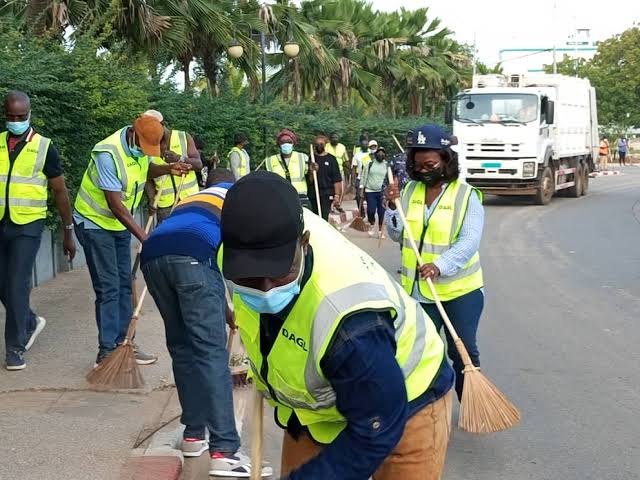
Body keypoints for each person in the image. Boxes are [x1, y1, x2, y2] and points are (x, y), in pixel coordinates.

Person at [221, 171, 454, 480]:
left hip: (403, 401)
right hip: (317, 412)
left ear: (304, 243)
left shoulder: (351, 324)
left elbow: (376, 429)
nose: (265, 290)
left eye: (279, 273)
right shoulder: (242, 239)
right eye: (249, 277)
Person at [140, 168, 270, 478]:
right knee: (210, 353)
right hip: (195, 257)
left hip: (153, 255)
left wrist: (223, 308)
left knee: (182, 349)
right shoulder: (237, 199)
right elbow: (238, 263)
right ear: (234, 184)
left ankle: (194, 434)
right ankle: (225, 451)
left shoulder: (190, 200)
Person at [73, 115, 191, 367]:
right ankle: (106, 352)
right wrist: (145, 238)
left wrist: (168, 168)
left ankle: (125, 343)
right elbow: (115, 205)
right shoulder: (107, 153)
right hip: (95, 223)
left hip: (118, 225)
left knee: (125, 284)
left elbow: (146, 169)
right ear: (134, 134)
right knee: (108, 287)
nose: (147, 152)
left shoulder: (139, 147)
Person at [385, 124, 485, 401]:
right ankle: (427, 409)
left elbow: (469, 241)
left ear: (446, 160)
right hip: (417, 293)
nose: (423, 170)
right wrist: (392, 208)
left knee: (462, 353)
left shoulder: (465, 195)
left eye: (430, 164)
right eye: (417, 165)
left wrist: (440, 265)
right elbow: (397, 234)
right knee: (421, 353)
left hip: (459, 293)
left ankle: (471, 406)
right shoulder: (408, 191)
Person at [1, 90, 77, 371]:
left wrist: (67, 230)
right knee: (4, 285)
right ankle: (30, 321)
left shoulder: (45, 147)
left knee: (17, 285)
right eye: (11, 116)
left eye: (21, 116)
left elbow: (60, 191)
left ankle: (15, 348)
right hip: (1, 222)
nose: (16, 121)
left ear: (30, 114)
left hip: (28, 226)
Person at [143, 110, 202, 223]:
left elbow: (198, 165)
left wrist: (179, 158)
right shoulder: (147, 145)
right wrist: (151, 198)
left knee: (192, 231)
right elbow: (147, 175)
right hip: (165, 205)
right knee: (167, 233)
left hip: (190, 200)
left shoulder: (183, 137)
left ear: (162, 124)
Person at [263, 129, 312, 208]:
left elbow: (311, 179)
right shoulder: (270, 160)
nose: (286, 144)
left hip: (300, 197)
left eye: (289, 142)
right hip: (279, 197)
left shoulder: (302, 157)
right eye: (283, 142)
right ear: (278, 144)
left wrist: (312, 170)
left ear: (293, 143)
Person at [309, 135, 342, 221]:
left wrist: (337, 195)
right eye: (317, 144)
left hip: (327, 193)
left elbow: (337, 179)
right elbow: (310, 180)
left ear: (325, 145)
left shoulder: (331, 159)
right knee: (314, 216)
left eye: (321, 144)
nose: (319, 146)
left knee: (323, 215)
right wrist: (312, 171)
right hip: (313, 193)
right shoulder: (311, 159)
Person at [361, 146, 388, 237]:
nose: (381, 155)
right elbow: (364, 176)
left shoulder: (387, 165)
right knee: (371, 210)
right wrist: (362, 189)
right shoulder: (370, 164)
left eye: (382, 153)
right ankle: (372, 224)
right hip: (370, 191)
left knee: (381, 212)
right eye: (379, 153)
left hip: (382, 192)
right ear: (375, 154)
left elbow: (389, 178)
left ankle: (380, 231)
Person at [325, 132, 349, 210]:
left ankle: (338, 205)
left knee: (341, 189)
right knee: (330, 189)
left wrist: (348, 170)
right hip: (328, 171)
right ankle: (330, 206)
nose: (335, 139)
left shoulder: (342, 147)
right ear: (330, 139)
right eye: (333, 138)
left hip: (339, 170)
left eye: (336, 138)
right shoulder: (326, 146)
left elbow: (346, 160)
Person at [352, 136, 374, 209]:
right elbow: (354, 167)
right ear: (361, 145)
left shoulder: (372, 154)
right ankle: (361, 211)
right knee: (358, 196)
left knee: (369, 196)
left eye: (366, 144)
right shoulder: (357, 155)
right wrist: (353, 180)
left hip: (370, 178)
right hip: (360, 178)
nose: (365, 146)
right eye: (363, 144)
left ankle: (370, 211)